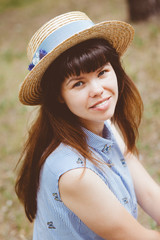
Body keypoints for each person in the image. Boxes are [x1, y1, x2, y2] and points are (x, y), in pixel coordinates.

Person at [15, 11, 160, 240]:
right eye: (78, 83)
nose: (97, 90)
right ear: (59, 96)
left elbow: (151, 195)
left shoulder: (107, 126)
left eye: (102, 72)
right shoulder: (74, 174)